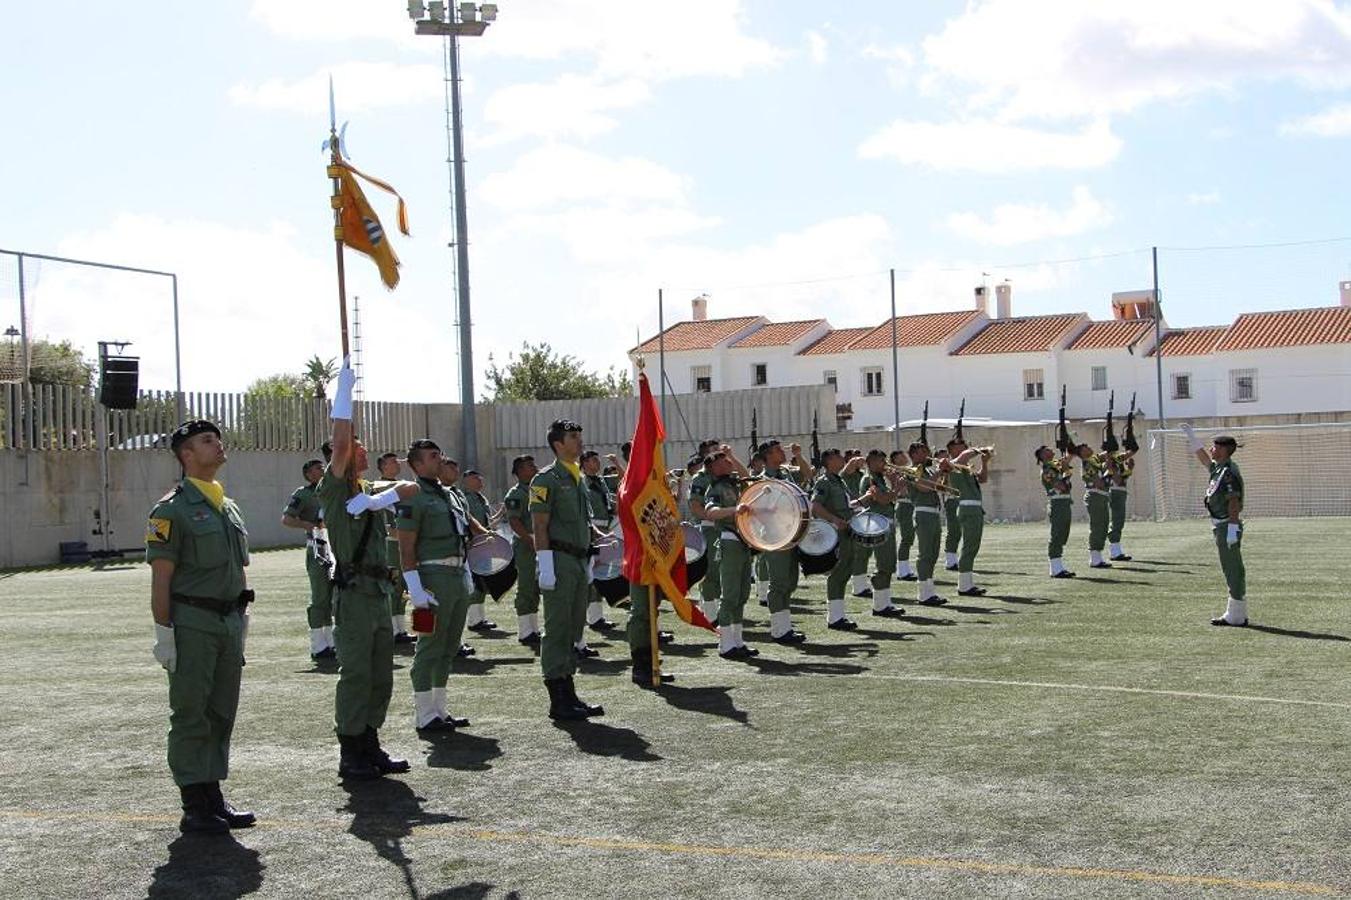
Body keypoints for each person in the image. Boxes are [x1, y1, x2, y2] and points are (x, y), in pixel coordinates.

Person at [146, 419, 255, 833]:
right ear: (186, 454)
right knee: (191, 711)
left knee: (221, 710)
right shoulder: (170, 510)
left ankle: (213, 796)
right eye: (207, 441)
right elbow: (162, 579)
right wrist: (165, 635)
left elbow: (239, 570)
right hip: (192, 622)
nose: (218, 444)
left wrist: (242, 619)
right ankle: (194, 804)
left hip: (228, 621)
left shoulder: (228, 507)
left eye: (218, 438)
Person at [318, 361, 418, 779]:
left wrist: (378, 501)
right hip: (355, 591)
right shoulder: (333, 485)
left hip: (378, 593)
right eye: (357, 445)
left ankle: (370, 741)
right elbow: (340, 444)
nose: (361, 449)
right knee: (357, 672)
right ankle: (350, 750)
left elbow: (411, 487)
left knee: (381, 674)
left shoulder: (367, 490)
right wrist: (343, 392)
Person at [397, 439, 482, 734]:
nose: (439, 460)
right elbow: (406, 547)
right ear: (416, 465)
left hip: (456, 576)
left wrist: (468, 571)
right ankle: (423, 714)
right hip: (430, 579)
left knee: (448, 647)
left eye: (439, 455)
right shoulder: (413, 496)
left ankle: (439, 709)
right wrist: (415, 588)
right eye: (432, 457)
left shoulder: (451, 495)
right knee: (428, 647)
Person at [530, 418, 606, 719]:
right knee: (558, 628)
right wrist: (544, 563)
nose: (579, 441)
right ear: (558, 444)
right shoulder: (545, 479)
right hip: (559, 559)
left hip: (576, 559)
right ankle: (558, 697)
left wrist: (588, 556)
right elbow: (539, 524)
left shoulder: (577, 478)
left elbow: (582, 523)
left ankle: (569, 691)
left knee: (575, 626)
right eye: (573, 437)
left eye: (579, 435)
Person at [1183, 426, 1249, 626]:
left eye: (1214, 447)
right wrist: (1192, 439)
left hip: (1226, 525)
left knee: (1232, 568)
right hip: (1221, 524)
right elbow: (1204, 460)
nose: (1211, 450)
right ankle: (1236, 612)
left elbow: (1233, 501)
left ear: (1223, 450)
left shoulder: (1228, 472)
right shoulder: (1220, 467)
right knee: (1229, 567)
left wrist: (1231, 527)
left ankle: (1236, 614)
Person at [702, 448, 759, 657]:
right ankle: (726, 644)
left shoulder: (733, 482)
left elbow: (747, 476)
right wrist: (735, 510)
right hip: (729, 541)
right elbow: (711, 512)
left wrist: (734, 457)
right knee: (730, 594)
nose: (729, 464)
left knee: (742, 594)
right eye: (725, 462)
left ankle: (738, 641)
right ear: (715, 467)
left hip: (742, 541)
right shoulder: (715, 488)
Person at [759, 440, 813, 643]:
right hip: (775, 535)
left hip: (791, 533)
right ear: (768, 455)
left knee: (790, 582)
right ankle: (779, 630)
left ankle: (785, 626)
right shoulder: (763, 480)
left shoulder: (786, 474)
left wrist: (799, 456)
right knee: (779, 583)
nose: (783, 452)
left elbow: (808, 475)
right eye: (778, 450)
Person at [282, 458, 336, 660]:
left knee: (334, 594)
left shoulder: (333, 490)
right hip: (319, 545)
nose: (321, 469)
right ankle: (317, 644)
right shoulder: (303, 494)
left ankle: (332, 641)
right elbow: (287, 519)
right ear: (308, 475)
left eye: (322, 466)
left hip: (337, 544)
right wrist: (310, 526)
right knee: (320, 595)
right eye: (316, 468)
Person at [811, 447, 868, 628]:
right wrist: (834, 520)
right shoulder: (824, 482)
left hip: (846, 531)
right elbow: (815, 507)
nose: (841, 458)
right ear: (828, 461)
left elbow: (845, 505)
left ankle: (838, 615)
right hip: (836, 532)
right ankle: (834, 617)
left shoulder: (839, 481)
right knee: (838, 573)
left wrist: (863, 501)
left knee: (845, 571)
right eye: (837, 456)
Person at [854, 449, 905, 616]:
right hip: (878, 525)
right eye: (881, 461)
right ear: (871, 462)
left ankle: (884, 603)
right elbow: (883, 500)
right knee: (884, 563)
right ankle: (880, 605)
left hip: (885, 523)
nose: (885, 464)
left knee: (889, 563)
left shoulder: (879, 479)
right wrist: (896, 487)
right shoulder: (869, 479)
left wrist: (893, 485)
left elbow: (889, 499)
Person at [375, 452, 416, 647]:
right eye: (392, 462)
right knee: (392, 585)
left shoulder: (401, 486)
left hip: (403, 542)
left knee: (402, 588)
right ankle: (391, 629)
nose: (397, 463)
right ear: (382, 466)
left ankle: (400, 629)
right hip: (390, 544)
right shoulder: (378, 489)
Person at [503, 455, 542, 645]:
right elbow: (514, 521)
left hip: (539, 543)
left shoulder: (536, 490)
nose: (534, 468)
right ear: (519, 471)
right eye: (530, 466)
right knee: (526, 586)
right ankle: (525, 631)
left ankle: (534, 628)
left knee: (536, 587)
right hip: (526, 545)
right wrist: (530, 540)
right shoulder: (515, 494)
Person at [580, 449, 620, 636]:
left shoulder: (600, 481)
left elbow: (624, 478)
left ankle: (597, 617)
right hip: (592, 529)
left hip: (605, 528)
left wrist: (616, 462)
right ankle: (592, 617)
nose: (597, 463)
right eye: (594, 460)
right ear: (585, 462)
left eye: (597, 460)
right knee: (591, 573)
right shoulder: (582, 481)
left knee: (599, 572)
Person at [945, 438, 991, 597]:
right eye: (961, 448)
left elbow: (983, 479)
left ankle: (967, 583)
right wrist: (979, 449)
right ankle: (964, 586)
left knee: (972, 546)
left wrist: (985, 462)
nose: (965, 449)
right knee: (969, 547)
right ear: (952, 450)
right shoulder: (954, 464)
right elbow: (964, 456)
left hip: (975, 508)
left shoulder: (965, 467)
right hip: (967, 507)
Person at [906, 442, 949, 606]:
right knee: (925, 554)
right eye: (921, 452)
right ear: (913, 455)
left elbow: (939, 487)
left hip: (933, 513)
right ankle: (923, 594)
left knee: (933, 553)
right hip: (923, 512)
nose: (926, 454)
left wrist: (944, 472)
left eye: (926, 451)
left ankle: (929, 591)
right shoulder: (912, 470)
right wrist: (939, 470)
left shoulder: (928, 470)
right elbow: (924, 487)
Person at [687, 439, 724, 622]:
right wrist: (714, 516)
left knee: (722, 573)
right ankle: (710, 614)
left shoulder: (723, 475)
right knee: (709, 573)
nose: (720, 452)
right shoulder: (700, 478)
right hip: (709, 529)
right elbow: (695, 507)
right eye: (715, 450)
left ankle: (716, 609)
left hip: (725, 529)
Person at [459, 468, 498, 634]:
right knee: (475, 583)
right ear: (466, 481)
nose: (480, 481)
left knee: (482, 582)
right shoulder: (465, 499)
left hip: (484, 544)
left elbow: (485, 523)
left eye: (480, 477)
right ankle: (474, 620)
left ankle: (479, 618)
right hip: (473, 545)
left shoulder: (481, 498)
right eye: (476, 478)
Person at [1034, 445, 1077, 578]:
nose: (1051, 450)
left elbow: (1068, 459)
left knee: (1063, 533)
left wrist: (1070, 446)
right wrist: (1065, 469)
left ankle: (1059, 566)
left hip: (1064, 502)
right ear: (1042, 455)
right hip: (1058, 503)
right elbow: (1061, 486)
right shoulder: (1048, 469)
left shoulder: (1055, 466)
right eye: (1047, 450)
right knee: (1057, 534)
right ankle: (1055, 568)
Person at [1076, 443, 1113, 569]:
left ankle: (1098, 556)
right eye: (1085, 448)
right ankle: (1095, 558)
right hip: (1095, 495)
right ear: (1082, 453)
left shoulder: (1094, 460)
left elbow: (1107, 454)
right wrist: (1109, 468)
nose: (1089, 447)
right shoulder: (1087, 463)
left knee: (1103, 526)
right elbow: (1099, 483)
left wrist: (1110, 444)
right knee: (1097, 526)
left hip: (1102, 496)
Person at [889, 449, 917, 581]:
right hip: (903, 504)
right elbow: (900, 489)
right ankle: (902, 570)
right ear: (895, 460)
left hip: (910, 505)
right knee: (907, 537)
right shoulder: (895, 472)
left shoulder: (909, 470)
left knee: (909, 537)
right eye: (900, 456)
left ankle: (905, 568)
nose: (905, 457)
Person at [1105, 449, 1138, 561]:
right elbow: (1118, 480)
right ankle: (1115, 551)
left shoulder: (1117, 462)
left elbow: (1123, 478)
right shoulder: (1109, 462)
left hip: (1120, 491)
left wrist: (1129, 469)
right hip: (1115, 491)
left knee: (1119, 521)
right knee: (1116, 520)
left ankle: (1116, 549)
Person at [939, 448, 962, 572]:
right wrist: (945, 474)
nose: (946, 459)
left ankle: (954, 558)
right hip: (950, 501)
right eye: (942, 457)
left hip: (958, 500)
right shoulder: (937, 471)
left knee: (958, 532)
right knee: (953, 530)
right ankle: (950, 561)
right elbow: (941, 487)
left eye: (947, 457)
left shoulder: (952, 468)